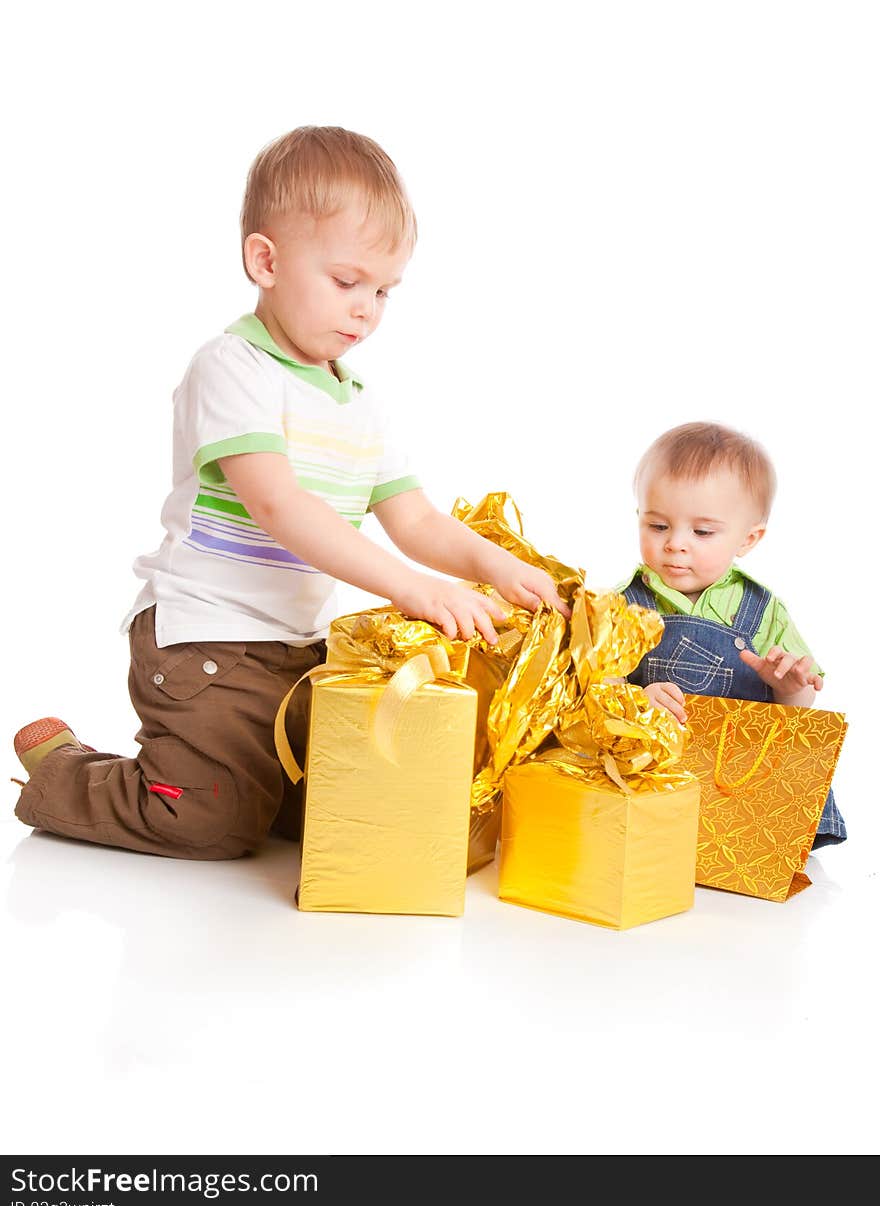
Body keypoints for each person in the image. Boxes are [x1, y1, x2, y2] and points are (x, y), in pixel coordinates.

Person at [12, 125, 568, 861]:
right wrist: (414, 590)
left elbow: (417, 517)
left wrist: (490, 566)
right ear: (265, 260)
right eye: (346, 282)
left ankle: (244, 784)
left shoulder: (359, 402)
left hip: (296, 652)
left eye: (383, 290)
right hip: (205, 643)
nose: (366, 308)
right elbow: (279, 507)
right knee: (214, 826)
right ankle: (64, 773)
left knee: (342, 799)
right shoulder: (233, 368)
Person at [619, 420, 844, 847]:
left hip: (740, 784)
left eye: (701, 532)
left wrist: (789, 687)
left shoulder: (762, 609)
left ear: (749, 538)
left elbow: (798, 708)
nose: (676, 544)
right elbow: (595, 690)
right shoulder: (621, 605)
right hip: (655, 776)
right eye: (658, 526)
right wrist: (635, 700)